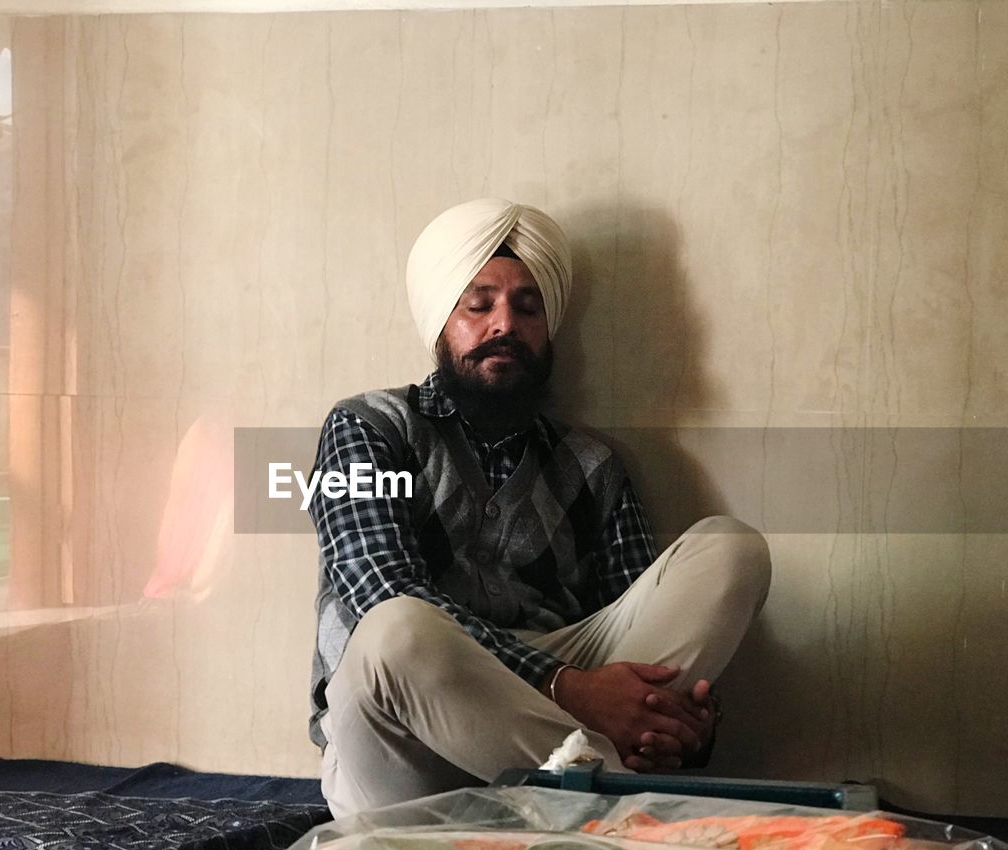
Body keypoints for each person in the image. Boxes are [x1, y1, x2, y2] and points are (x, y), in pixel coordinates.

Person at [306, 198, 771, 817]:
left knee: (730, 550)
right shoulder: (363, 429)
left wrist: (688, 723)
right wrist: (569, 689)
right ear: (442, 318)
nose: (505, 324)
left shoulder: (593, 465)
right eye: (479, 305)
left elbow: (635, 636)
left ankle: (578, 805)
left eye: (528, 307)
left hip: (554, 715)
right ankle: (623, 818)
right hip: (404, 744)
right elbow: (378, 587)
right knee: (395, 626)